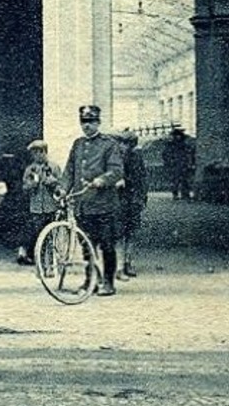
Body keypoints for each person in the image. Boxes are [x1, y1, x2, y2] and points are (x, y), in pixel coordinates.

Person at [60, 104, 124, 296]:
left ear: (98, 122)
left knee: (106, 245)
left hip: (104, 205)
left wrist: (102, 180)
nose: (86, 126)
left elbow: (117, 170)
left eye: (91, 121)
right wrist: (63, 189)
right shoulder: (78, 144)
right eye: (83, 122)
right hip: (83, 206)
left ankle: (109, 283)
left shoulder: (109, 145)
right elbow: (70, 170)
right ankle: (90, 282)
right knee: (87, 247)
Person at [19, 139, 60, 264]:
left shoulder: (54, 167)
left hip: (51, 206)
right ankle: (40, 262)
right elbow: (24, 188)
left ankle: (51, 262)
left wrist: (53, 183)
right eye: (34, 153)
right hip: (36, 208)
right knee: (38, 235)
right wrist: (33, 184)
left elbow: (61, 184)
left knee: (51, 236)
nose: (37, 155)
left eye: (39, 152)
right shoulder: (30, 169)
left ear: (44, 152)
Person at [116, 129, 148, 279]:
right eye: (121, 143)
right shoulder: (115, 159)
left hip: (132, 200)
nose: (123, 146)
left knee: (130, 233)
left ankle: (128, 262)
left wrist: (142, 198)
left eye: (126, 143)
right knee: (120, 235)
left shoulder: (137, 158)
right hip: (120, 201)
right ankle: (120, 266)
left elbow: (142, 180)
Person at [163, 126, 194, 200]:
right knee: (179, 181)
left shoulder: (174, 145)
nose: (177, 137)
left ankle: (182, 194)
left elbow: (166, 155)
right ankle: (180, 194)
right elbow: (166, 155)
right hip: (178, 165)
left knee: (181, 181)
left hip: (180, 165)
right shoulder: (177, 145)